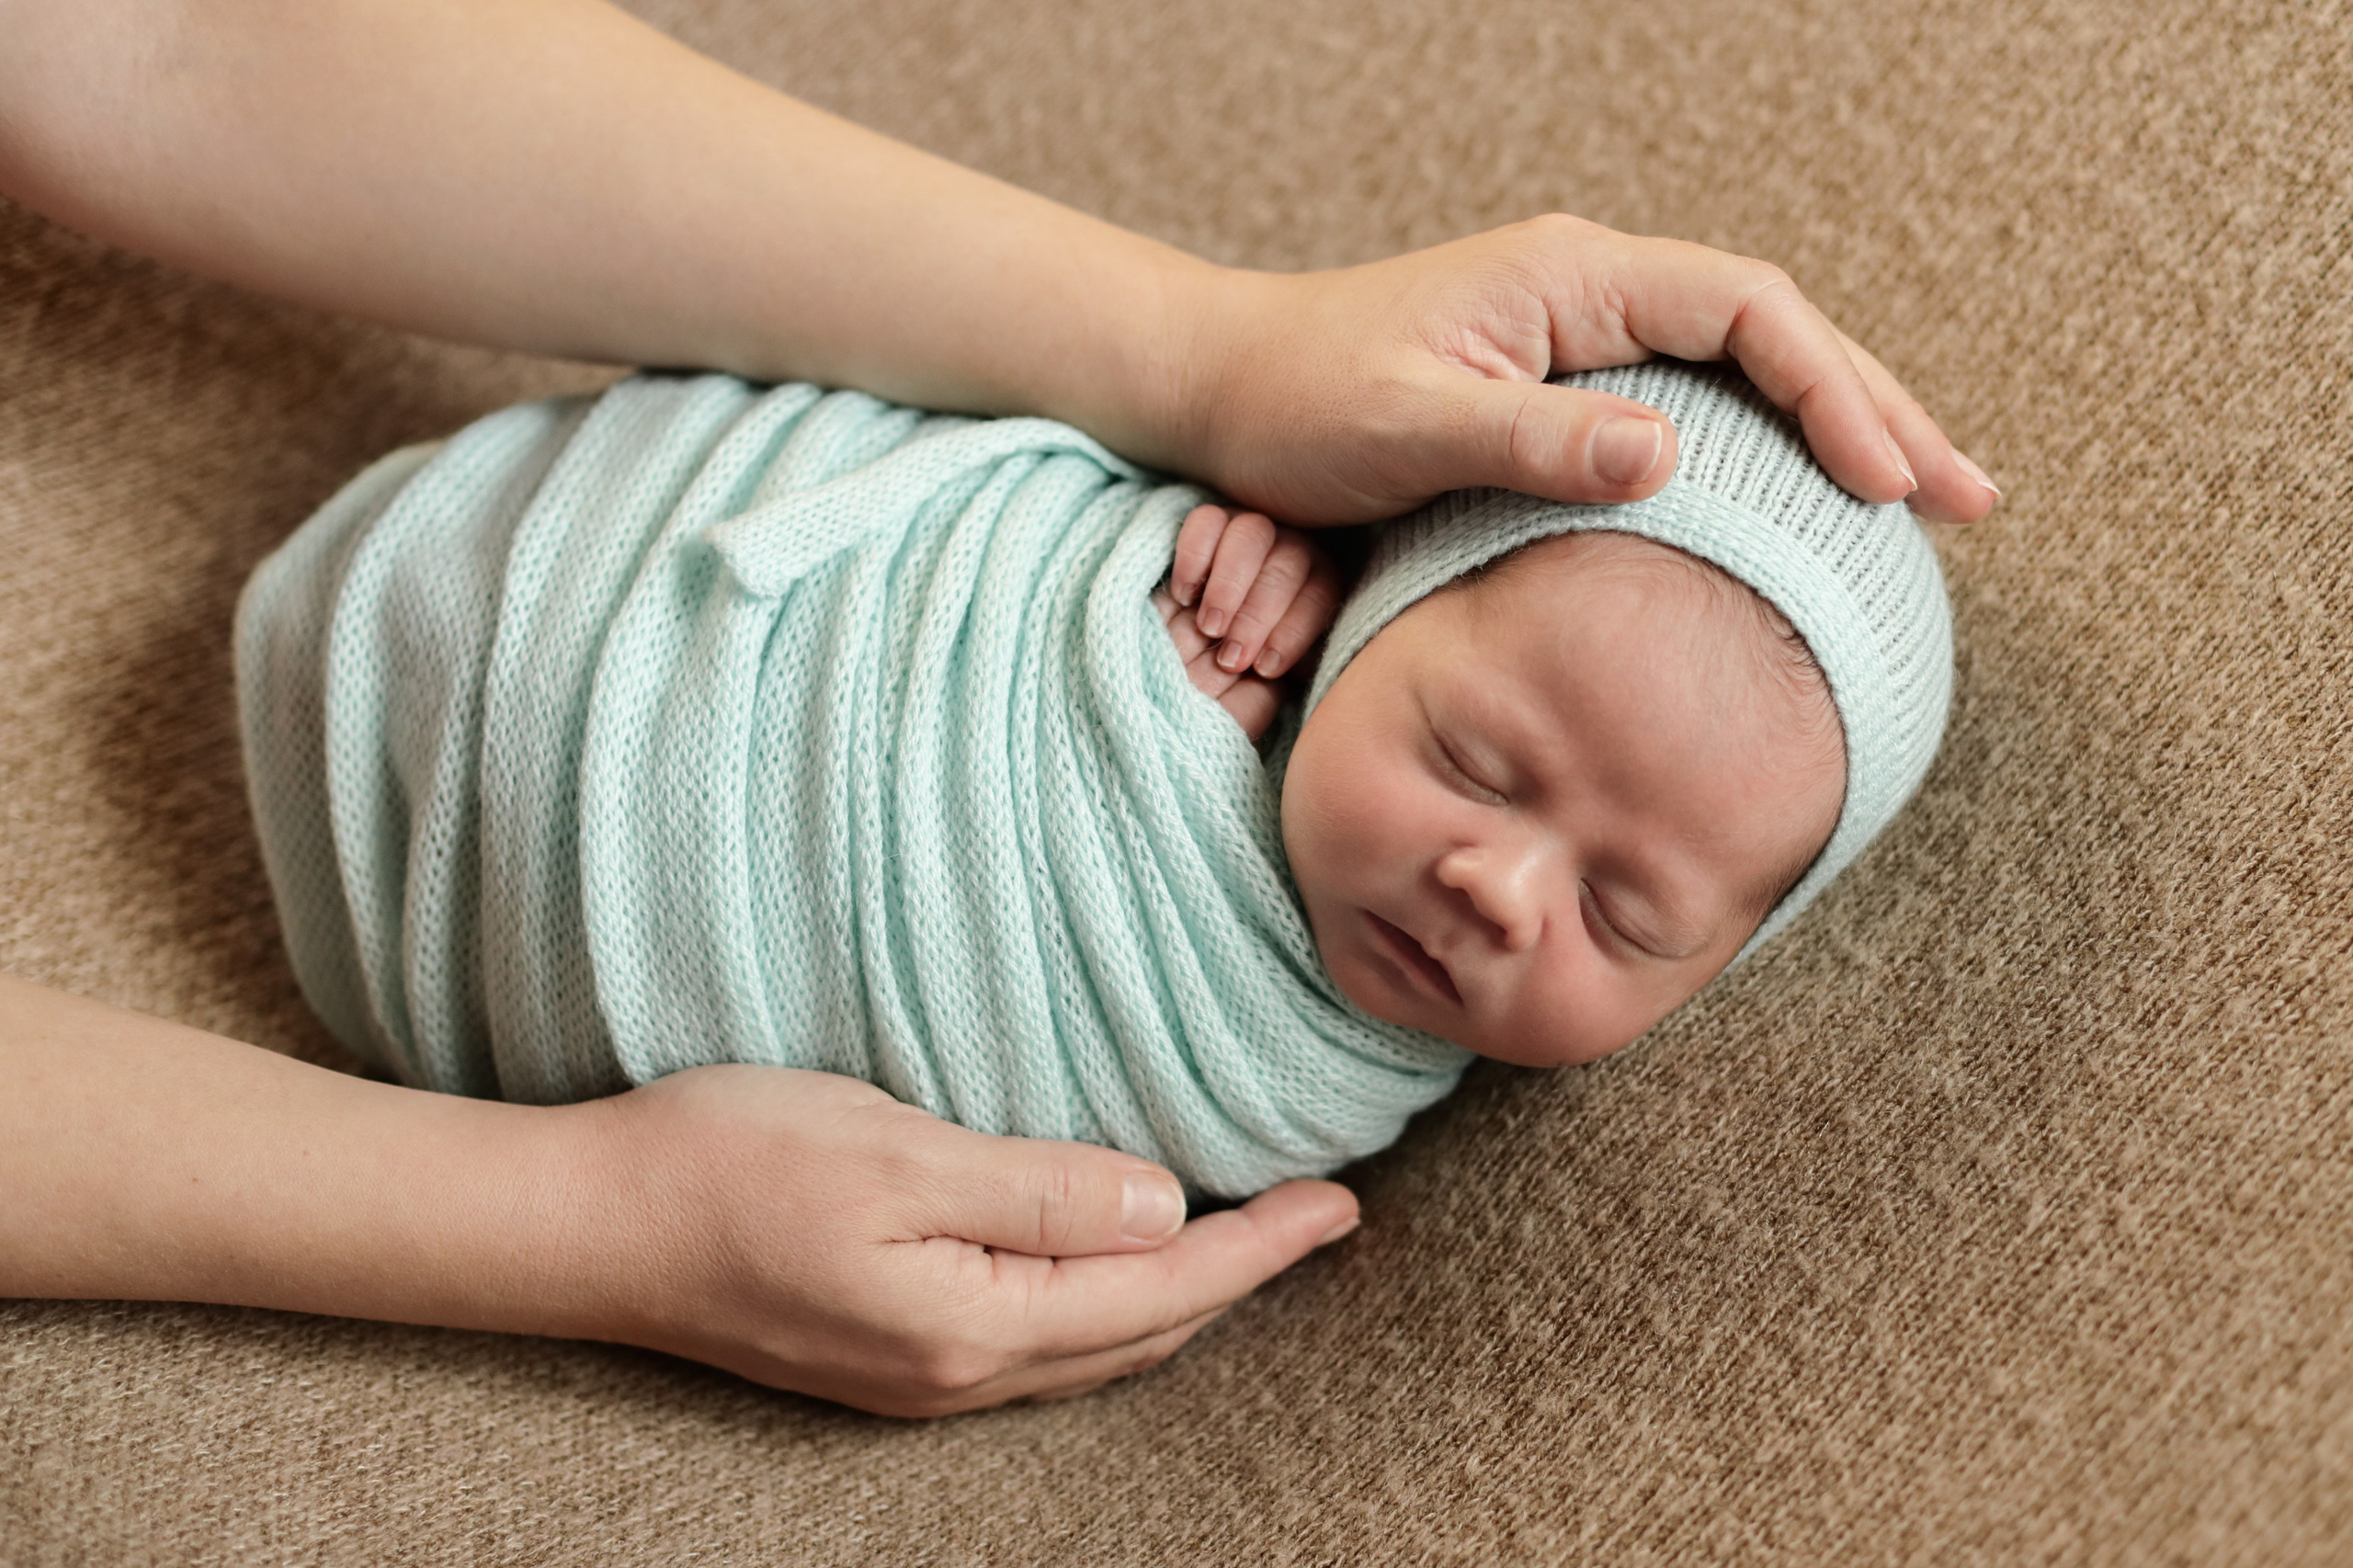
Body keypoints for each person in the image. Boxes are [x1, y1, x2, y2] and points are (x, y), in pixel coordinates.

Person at [0, 0, 1997, 1416]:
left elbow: (172, 37)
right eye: (1473, 758)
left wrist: (1212, 360)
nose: (1496, 884)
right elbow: (1031, 584)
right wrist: (1151, 632)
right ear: (1367, 605)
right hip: (597, 604)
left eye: (1630, 916)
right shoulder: (1231, 608)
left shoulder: (1311, 1086)